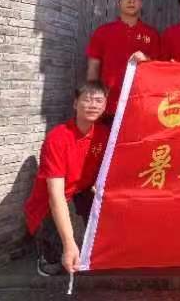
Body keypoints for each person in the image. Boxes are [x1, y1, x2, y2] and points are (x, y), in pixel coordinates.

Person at [24, 82, 111, 276]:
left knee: (95, 246)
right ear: (75, 103)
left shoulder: (104, 134)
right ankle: (47, 253)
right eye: (87, 99)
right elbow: (55, 195)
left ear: (105, 106)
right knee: (69, 252)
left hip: (81, 193)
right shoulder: (58, 138)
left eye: (99, 101)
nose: (93, 105)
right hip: (51, 202)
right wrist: (69, 243)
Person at [86, 0, 159, 122]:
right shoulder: (103, 32)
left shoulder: (152, 34)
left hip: (140, 106)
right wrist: (92, 98)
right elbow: (93, 68)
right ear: (119, 1)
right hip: (108, 106)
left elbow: (158, 69)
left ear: (141, 3)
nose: (132, 0)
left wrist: (147, 59)